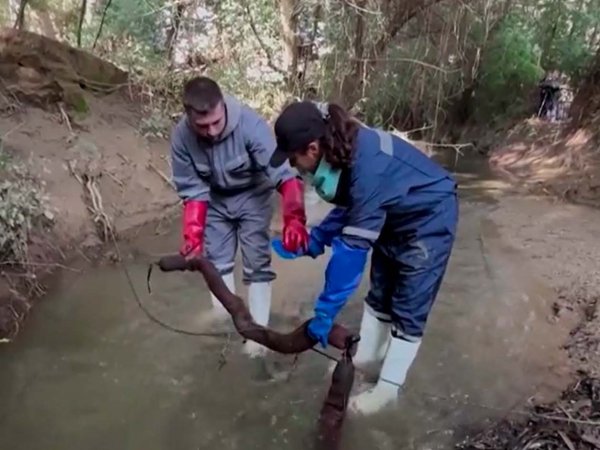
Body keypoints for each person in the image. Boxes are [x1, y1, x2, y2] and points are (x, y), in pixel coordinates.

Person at [270, 101, 458, 415]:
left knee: (409, 307)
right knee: (380, 293)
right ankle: (368, 356)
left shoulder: (366, 164)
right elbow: (352, 207)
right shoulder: (340, 148)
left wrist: (325, 312)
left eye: (294, 158)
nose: (295, 166)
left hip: (428, 218)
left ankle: (388, 390)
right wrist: (315, 238)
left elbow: (351, 255)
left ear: (312, 149)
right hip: (392, 215)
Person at [170, 76, 309, 357]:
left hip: (254, 196)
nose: (210, 131)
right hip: (215, 201)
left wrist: (294, 219)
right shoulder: (181, 138)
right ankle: (223, 317)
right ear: (188, 116)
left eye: (216, 122)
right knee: (216, 261)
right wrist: (193, 235)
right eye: (202, 125)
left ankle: (258, 335)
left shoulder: (251, 126)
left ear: (223, 106)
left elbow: (283, 176)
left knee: (256, 261)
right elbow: (192, 190)